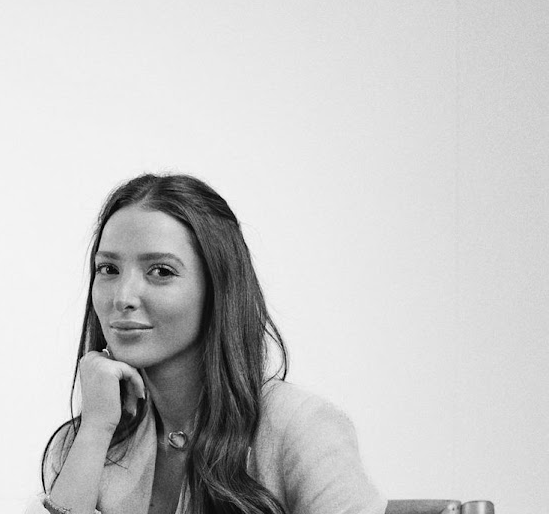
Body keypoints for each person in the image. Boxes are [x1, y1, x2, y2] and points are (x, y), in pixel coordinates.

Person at [25, 173, 386, 514]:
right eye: (108, 269)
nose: (123, 297)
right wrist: (95, 430)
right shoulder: (84, 441)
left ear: (218, 288)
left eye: (161, 271)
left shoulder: (302, 427)